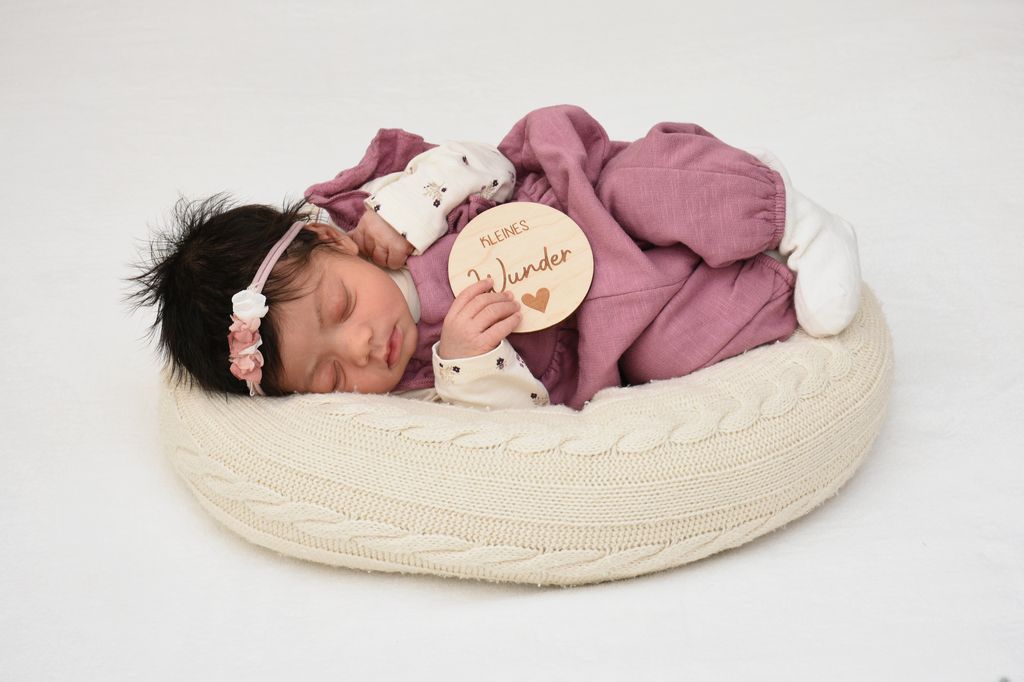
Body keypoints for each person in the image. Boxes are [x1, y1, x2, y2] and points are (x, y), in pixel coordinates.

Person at [129, 104, 861, 411]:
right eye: (330, 377)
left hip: (581, 205)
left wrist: (414, 205)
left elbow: (491, 166)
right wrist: (467, 366)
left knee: (647, 183)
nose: (361, 348)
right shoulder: (421, 383)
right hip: (601, 324)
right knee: (667, 352)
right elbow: (516, 419)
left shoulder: (378, 212)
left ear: (329, 242)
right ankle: (774, 279)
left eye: (342, 307)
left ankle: (784, 214)